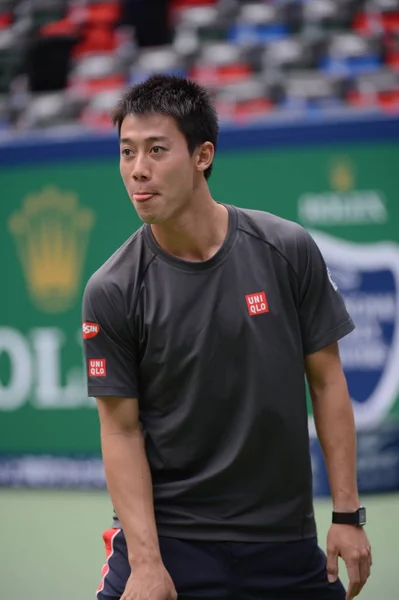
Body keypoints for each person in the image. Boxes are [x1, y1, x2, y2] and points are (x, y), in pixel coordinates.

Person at [82, 75, 372, 600]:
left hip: (284, 543)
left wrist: (348, 514)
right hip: (172, 544)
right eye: (126, 151)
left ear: (202, 155)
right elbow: (120, 431)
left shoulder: (286, 249)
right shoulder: (112, 288)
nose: (137, 169)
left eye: (156, 149)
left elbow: (328, 382)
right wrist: (147, 562)